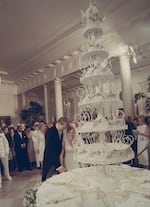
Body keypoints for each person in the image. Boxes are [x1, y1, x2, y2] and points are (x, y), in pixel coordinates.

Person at [42, 117, 68, 182]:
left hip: (57, 159)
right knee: (48, 180)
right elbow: (51, 150)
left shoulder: (61, 132)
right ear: (59, 123)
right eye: (63, 127)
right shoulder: (50, 131)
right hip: (50, 160)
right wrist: (58, 165)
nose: (64, 129)